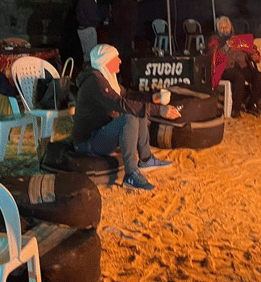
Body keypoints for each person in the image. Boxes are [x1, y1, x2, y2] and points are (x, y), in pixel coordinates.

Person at [72, 44, 180, 191]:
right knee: (130, 116)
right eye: (116, 58)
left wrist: (153, 97)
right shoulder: (95, 82)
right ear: (106, 61)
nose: (120, 61)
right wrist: (159, 110)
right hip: (88, 142)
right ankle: (131, 174)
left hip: (100, 132)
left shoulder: (107, 77)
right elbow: (121, 104)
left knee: (137, 108)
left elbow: (128, 95)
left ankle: (146, 159)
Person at [208, 16, 261, 118]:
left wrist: (253, 54)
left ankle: (250, 105)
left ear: (231, 28)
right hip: (225, 69)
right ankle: (236, 109)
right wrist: (226, 47)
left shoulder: (239, 39)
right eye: (221, 27)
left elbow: (253, 52)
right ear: (217, 29)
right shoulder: (215, 40)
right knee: (239, 77)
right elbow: (214, 57)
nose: (224, 29)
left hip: (242, 66)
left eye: (226, 26)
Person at [76, 0, 106, 65]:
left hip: (84, 29)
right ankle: (89, 74)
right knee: (90, 55)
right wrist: (101, 19)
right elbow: (92, 15)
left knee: (87, 55)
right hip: (88, 30)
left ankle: (87, 73)